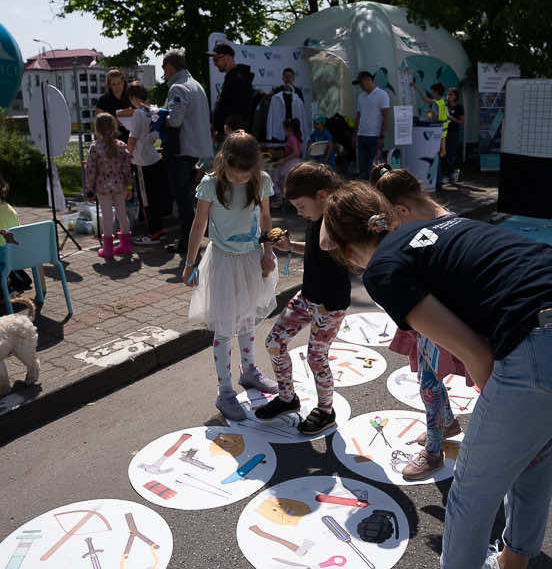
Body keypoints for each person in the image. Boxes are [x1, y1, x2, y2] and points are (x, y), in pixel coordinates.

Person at [320, 181, 552, 569]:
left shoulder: (384, 268)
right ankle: (513, 561)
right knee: (535, 463)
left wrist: (499, 411)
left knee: (471, 490)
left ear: (347, 250)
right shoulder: (440, 226)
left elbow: (476, 354)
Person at [368, 164, 467, 480]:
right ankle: (446, 422)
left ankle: (434, 452)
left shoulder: (437, 232)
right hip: (429, 317)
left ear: (401, 208)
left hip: (439, 320)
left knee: (429, 382)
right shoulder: (437, 222)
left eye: (395, 219)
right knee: (429, 379)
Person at [183, 131, 279, 421]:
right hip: (223, 262)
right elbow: (199, 223)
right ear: (223, 163)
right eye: (235, 175)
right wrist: (190, 263)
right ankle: (224, 391)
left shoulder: (260, 181)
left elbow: (265, 218)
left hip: (251, 258)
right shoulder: (210, 184)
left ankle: (248, 371)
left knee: (248, 318)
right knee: (225, 328)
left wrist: (267, 251)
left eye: (245, 176)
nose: (240, 180)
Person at [257, 162, 349, 435]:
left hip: (330, 304)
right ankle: (287, 398)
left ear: (322, 196)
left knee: (316, 357)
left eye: (300, 206)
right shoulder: (315, 218)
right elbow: (314, 250)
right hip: (308, 295)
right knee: (274, 342)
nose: (298, 213)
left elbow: (338, 250)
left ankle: (325, 411)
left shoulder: (336, 222)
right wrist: (289, 246)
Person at [160, 49, 213, 255]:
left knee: (183, 201)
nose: (163, 73)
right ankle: (193, 240)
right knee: (193, 199)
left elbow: (175, 120)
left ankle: (186, 244)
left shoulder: (178, 87)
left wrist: (157, 118)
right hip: (197, 151)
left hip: (182, 152)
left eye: (164, 68)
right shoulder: (196, 85)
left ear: (170, 67)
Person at [125, 81, 171, 245]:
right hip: (153, 158)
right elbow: (155, 136)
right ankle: (159, 231)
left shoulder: (138, 113)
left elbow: (133, 137)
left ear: (133, 97)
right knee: (155, 197)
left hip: (142, 162)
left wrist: (127, 154)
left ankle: (154, 233)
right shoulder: (154, 110)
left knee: (146, 199)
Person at [86, 113, 133, 257]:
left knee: (107, 217)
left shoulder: (94, 147)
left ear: (97, 129)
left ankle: (108, 249)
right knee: (122, 215)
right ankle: (125, 246)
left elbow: (91, 171)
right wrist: (130, 187)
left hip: (102, 187)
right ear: (114, 127)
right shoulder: (121, 145)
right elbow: (127, 169)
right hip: (120, 186)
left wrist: (89, 189)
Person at [209, 42, 254, 140]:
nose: (215, 63)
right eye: (213, 60)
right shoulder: (232, 78)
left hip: (232, 139)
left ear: (228, 57)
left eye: (217, 59)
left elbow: (240, 113)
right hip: (228, 136)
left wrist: (228, 133)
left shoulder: (239, 79)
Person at [411, 81, 449, 187]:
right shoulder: (441, 101)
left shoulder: (436, 103)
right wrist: (416, 87)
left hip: (438, 131)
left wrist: (429, 114)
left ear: (436, 92)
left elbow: (435, 117)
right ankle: (441, 178)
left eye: (432, 91)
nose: (431, 93)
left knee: (437, 155)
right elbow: (426, 99)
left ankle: (439, 179)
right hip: (443, 131)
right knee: (440, 153)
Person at [353, 71, 390, 179]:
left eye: (361, 83)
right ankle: (364, 188)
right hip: (361, 135)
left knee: (377, 166)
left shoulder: (382, 95)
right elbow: (358, 115)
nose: (360, 86)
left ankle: (378, 185)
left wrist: (382, 136)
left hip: (375, 136)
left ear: (368, 80)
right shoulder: (361, 97)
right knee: (362, 165)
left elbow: (386, 116)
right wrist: (354, 134)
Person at [270, 118, 303, 208]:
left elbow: (296, 153)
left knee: (274, 174)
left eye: (284, 129)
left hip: (291, 163)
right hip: (295, 162)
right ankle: (282, 195)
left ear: (288, 129)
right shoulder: (295, 137)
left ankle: (279, 196)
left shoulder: (291, 138)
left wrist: (283, 160)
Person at [94, 69, 132, 142]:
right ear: (109, 85)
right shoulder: (104, 99)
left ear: (124, 82)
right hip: (111, 140)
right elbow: (97, 120)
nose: (117, 86)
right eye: (113, 84)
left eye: (119, 83)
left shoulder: (131, 97)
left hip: (130, 138)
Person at [444, 87, 465, 184]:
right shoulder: (446, 106)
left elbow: (461, 121)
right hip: (444, 132)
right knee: (444, 153)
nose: (448, 96)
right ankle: (449, 174)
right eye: (448, 94)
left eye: (451, 95)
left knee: (451, 153)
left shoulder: (459, 107)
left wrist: (451, 118)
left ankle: (453, 172)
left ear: (455, 96)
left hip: (453, 132)